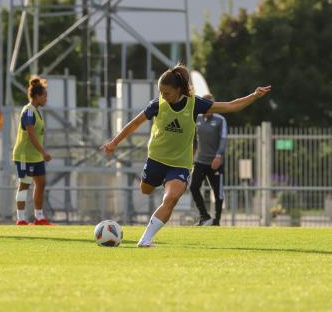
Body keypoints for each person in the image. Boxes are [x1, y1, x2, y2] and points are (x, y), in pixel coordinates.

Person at [101, 63, 271, 247]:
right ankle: (160, 185)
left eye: (167, 93)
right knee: (146, 190)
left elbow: (230, 106)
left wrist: (254, 96)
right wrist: (114, 143)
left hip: (180, 164)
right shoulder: (157, 105)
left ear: (179, 90)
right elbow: (134, 124)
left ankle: (145, 239)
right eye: (161, 92)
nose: (163, 96)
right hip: (156, 159)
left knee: (171, 198)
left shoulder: (195, 104)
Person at [12, 76, 53, 225]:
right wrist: (43, 152)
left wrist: (40, 154)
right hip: (24, 156)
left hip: (35, 157)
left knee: (41, 183)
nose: (46, 98)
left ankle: (39, 217)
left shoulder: (37, 111)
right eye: (44, 96)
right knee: (24, 185)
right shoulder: (28, 111)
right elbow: (30, 133)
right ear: (36, 96)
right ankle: (21, 219)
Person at [190, 94, 227, 226]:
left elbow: (223, 140)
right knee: (193, 187)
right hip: (200, 161)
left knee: (218, 193)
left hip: (215, 162)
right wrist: (191, 157)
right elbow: (193, 139)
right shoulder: (197, 118)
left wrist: (219, 156)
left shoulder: (220, 120)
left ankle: (216, 221)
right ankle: (204, 216)